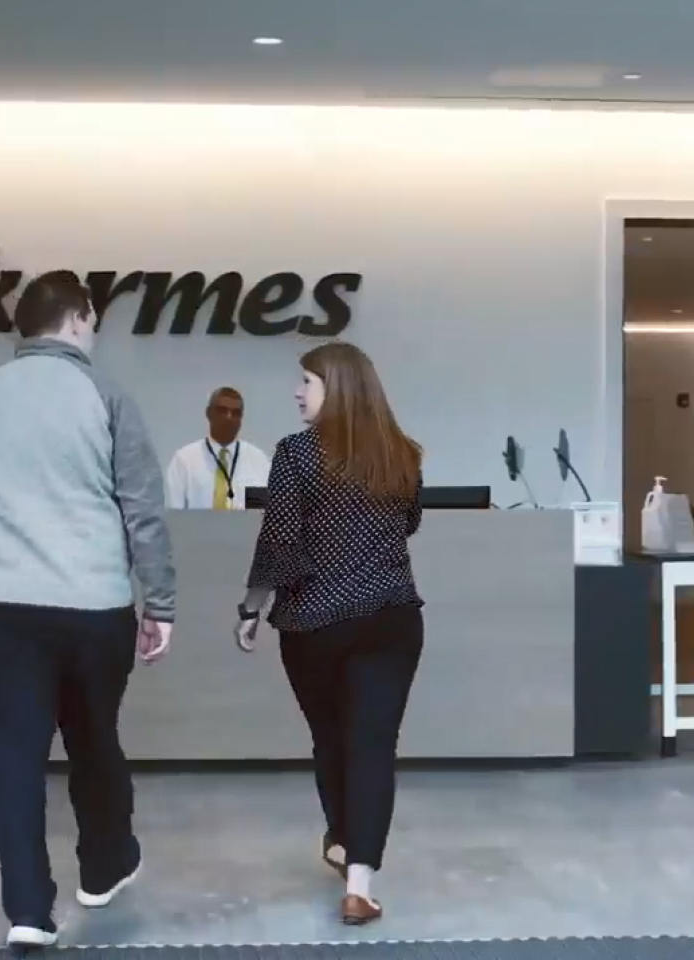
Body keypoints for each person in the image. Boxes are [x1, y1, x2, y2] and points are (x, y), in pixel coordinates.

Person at [0, 270, 175, 948]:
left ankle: (27, 911)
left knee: (16, 751)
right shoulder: (105, 394)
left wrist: (5, 544)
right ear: (78, 317)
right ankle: (103, 868)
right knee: (94, 735)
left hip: (5, 605)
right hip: (95, 604)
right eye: (93, 321)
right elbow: (143, 510)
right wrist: (158, 602)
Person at [233, 341, 424, 926]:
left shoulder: (295, 455)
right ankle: (359, 882)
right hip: (392, 617)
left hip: (315, 622)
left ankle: (343, 838)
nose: (298, 391)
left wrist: (252, 605)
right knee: (372, 745)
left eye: (307, 382)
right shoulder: (402, 454)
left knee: (331, 736)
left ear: (336, 389)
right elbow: (410, 522)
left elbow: (281, 540)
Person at [164, 387, 271, 509]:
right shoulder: (184, 461)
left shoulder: (258, 461)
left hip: (244, 528)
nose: (229, 417)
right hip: (198, 528)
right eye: (222, 411)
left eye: (236, 413)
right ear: (208, 413)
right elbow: (174, 516)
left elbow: (260, 515)